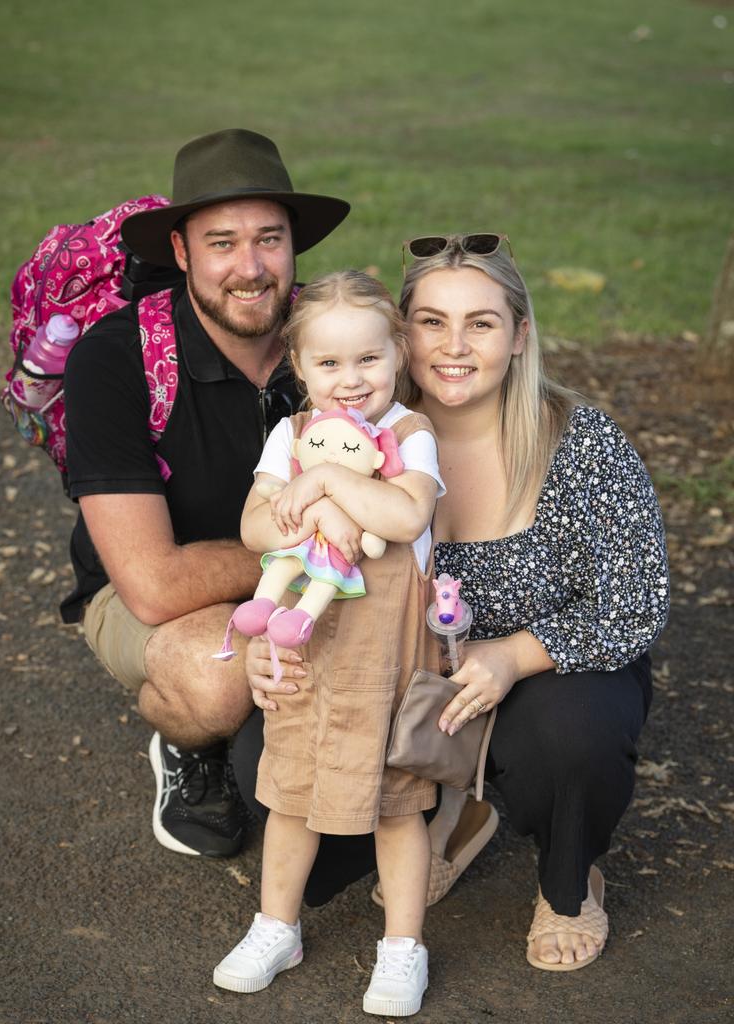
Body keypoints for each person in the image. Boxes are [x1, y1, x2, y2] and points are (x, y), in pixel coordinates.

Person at [245, 233, 669, 974]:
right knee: (274, 785)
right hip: (400, 674)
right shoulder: (360, 438)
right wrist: (271, 638)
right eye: (432, 321)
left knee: (573, 735)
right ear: (401, 335)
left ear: (520, 335)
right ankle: (458, 811)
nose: (455, 344)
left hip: (550, 674)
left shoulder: (581, 440)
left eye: (481, 322)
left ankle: (570, 884)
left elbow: (636, 598)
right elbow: (293, 549)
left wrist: (510, 656)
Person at [61, 129, 350, 859]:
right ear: (182, 252)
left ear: (294, 246)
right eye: (221, 242)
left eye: (269, 240)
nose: (250, 269)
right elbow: (154, 586)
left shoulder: (336, 342)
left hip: (321, 576)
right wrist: (314, 556)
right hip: (157, 593)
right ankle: (187, 744)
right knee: (216, 679)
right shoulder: (115, 360)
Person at [213, 271, 444, 1017]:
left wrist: (322, 488)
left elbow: (404, 518)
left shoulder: (411, 435)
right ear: (299, 365)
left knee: (397, 807)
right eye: (330, 364)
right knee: (288, 795)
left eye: (369, 360)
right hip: (307, 655)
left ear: (398, 354)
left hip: (390, 665)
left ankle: (403, 945)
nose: (351, 380)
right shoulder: (291, 432)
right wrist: (316, 493)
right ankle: (276, 926)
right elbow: (255, 526)